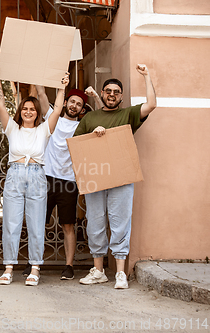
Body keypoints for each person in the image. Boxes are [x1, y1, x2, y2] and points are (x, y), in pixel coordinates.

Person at [75, 64, 157, 289]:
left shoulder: (128, 114)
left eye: (116, 92)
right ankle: (98, 270)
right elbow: (76, 146)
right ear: (102, 93)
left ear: (121, 96)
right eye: (108, 91)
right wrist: (94, 136)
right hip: (95, 176)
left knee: (121, 222)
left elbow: (151, 104)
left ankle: (120, 273)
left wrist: (147, 76)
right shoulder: (89, 119)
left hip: (121, 177)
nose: (112, 95)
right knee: (95, 223)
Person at [0, 69, 69, 286]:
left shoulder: (45, 129)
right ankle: (9, 267)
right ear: (21, 111)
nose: (28, 112)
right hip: (15, 175)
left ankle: (35, 268)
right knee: (11, 222)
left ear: (37, 113)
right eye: (25, 108)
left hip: (36, 175)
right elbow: (0, 105)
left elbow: (57, 111)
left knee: (36, 224)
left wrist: (62, 87)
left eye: (32, 109)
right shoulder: (12, 128)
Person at [40, 87, 89, 280]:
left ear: (82, 109)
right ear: (66, 102)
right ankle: (33, 262)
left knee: (68, 225)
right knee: (38, 223)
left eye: (79, 104)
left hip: (69, 181)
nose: (74, 106)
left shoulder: (83, 126)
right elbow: (42, 95)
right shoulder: (53, 118)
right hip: (46, 177)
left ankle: (69, 266)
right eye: (72, 102)